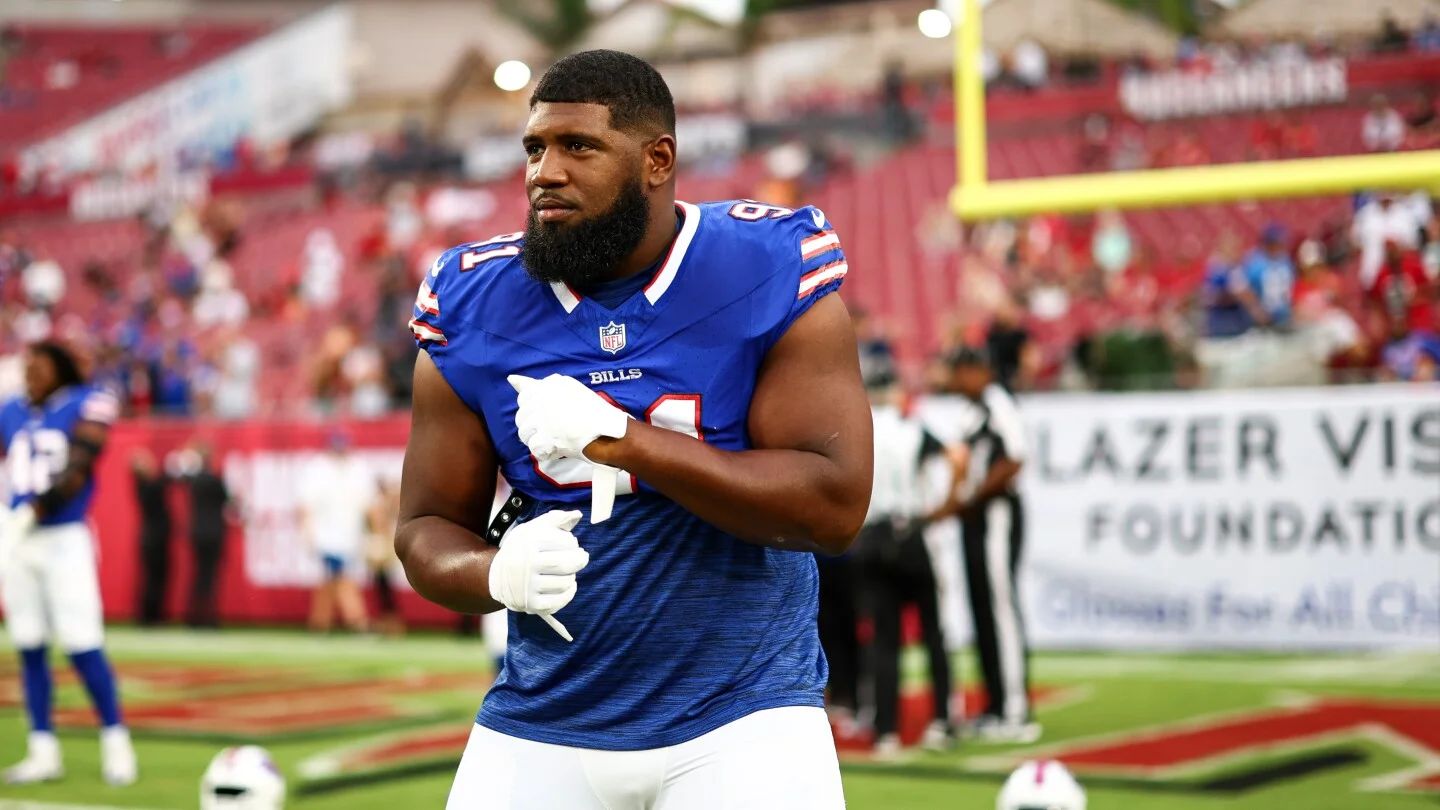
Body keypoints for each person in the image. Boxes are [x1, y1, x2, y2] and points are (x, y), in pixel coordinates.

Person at [394, 50, 872, 810]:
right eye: (535, 148)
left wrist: (623, 440)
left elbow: (834, 507)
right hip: (543, 712)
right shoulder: (473, 298)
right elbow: (424, 528)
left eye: (578, 146)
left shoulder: (764, 263)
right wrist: (493, 574)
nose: (545, 172)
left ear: (658, 160)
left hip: (743, 716)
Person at [0, 341, 137, 785]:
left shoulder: (87, 402)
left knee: (82, 644)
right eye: (26, 369)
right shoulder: (10, 410)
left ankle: (116, 742)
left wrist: (32, 511)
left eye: (38, 368)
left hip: (63, 537)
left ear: (60, 369)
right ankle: (42, 750)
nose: (30, 377)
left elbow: (79, 464)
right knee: (29, 645)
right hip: (19, 542)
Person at [853, 353, 965, 757]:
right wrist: (945, 506)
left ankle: (886, 730)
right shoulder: (912, 427)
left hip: (871, 537)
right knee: (933, 632)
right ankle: (942, 721)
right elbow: (958, 457)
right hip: (910, 533)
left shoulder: (859, 427)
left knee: (884, 639)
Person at [934, 345, 1037, 743]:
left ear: (979, 370)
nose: (955, 381)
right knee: (981, 608)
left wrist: (973, 496)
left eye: (960, 372)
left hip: (997, 515)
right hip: (975, 518)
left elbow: (1015, 458)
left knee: (999, 606)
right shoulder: (970, 411)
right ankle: (995, 705)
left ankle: (1015, 709)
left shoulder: (998, 402)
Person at [298, 432, 373, 634]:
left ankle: (320, 623)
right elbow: (305, 505)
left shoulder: (357, 468)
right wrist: (308, 533)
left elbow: (367, 504)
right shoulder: (317, 469)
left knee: (331, 580)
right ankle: (357, 622)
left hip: (350, 536)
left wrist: (374, 533)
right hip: (326, 536)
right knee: (340, 577)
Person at [176, 442, 232, 628]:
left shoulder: (194, 481)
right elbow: (229, 502)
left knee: (199, 575)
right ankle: (208, 618)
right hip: (214, 533)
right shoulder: (216, 481)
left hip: (198, 533)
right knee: (209, 577)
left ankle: (194, 616)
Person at [131, 448, 173, 627]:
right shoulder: (146, 485)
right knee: (153, 578)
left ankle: (153, 615)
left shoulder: (147, 484)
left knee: (156, 577)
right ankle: (149, 617)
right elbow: (162, 482)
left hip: (154, 536)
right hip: (153, 538)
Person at [365, 478, 405, 637]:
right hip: (380, 551)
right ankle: (388, 624)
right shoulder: (378, 507)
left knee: (385, 590)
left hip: (383, 552)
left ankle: (392, 625)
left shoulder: (384, 508)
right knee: (382, 589)